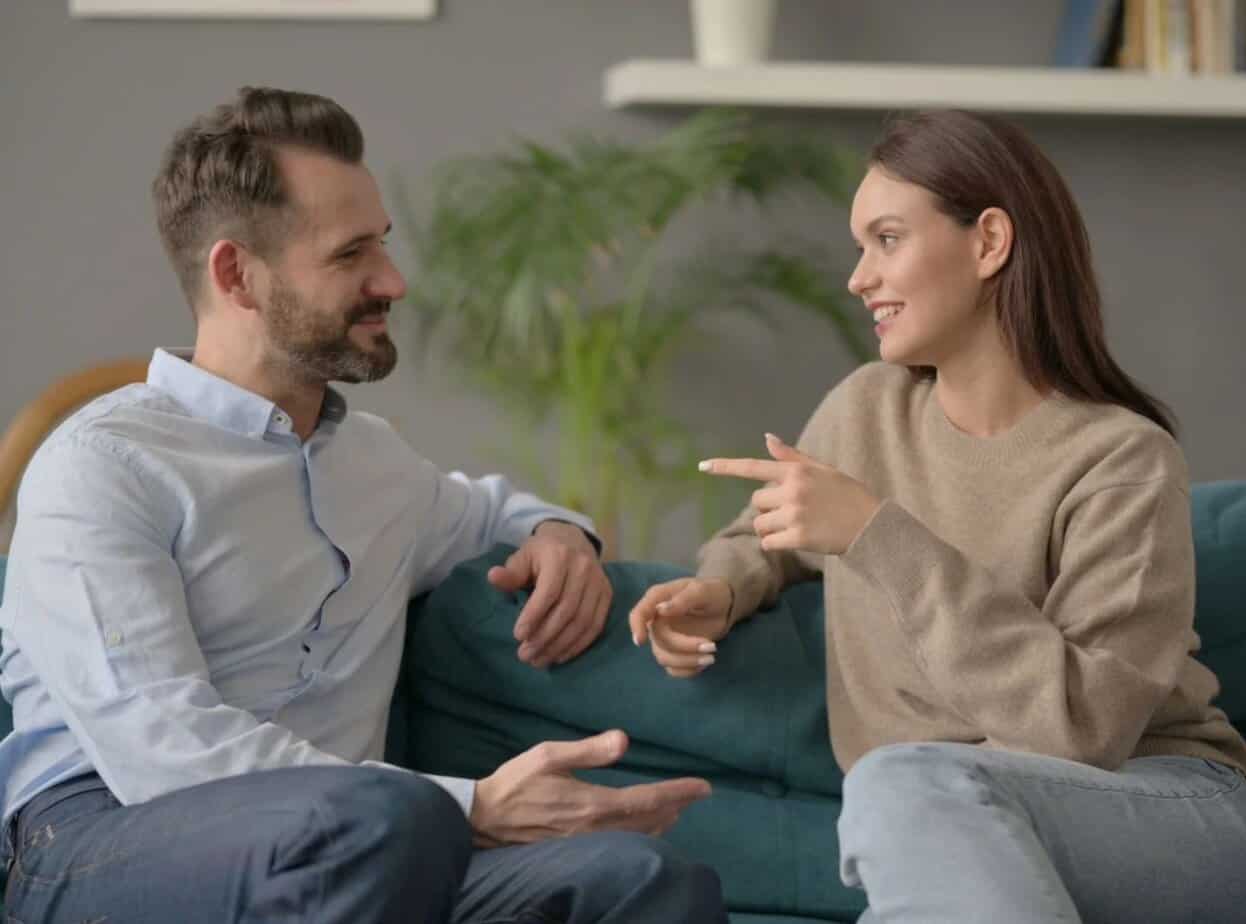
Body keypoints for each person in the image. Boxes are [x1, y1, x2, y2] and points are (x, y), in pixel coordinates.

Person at [0, 86, 725, 924]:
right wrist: (472, 808)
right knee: (388, 818)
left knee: (641, 880)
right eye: (351, 256)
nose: (394, 281)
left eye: (382, 244)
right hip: (101, 840)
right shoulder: (104, 466)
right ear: (236, 274)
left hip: (365, 853)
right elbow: (161, 748)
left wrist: (562, 535)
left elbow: (492, 513)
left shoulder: (376, 463)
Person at [629, 110, 1246, 923]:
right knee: (911, 791)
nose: (857, 277)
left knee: (901, 777)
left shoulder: (1120, 458)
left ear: (988, 242)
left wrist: (878, 536)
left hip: (1168, 814)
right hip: (957, 823)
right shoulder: (865, 411)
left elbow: (1084, 729)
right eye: (859, 246)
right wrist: (721, 589)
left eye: (885, 239)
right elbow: (769, 529)